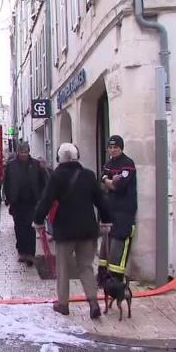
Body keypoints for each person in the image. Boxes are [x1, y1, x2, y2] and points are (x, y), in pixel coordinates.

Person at [33, 143, 113, 319]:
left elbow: (46, 200)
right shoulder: (88, 175)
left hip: (65, 230)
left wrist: (38, 220)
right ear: (77, 156)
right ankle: (93, 302)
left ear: (59, 158)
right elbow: (101, 199)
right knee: (86, 267)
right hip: (87, 229)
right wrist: (106, 220)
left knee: (63, 268)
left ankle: (63, 304)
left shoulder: (57, 176)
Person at [97, 135, 138, 286]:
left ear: (121, 148)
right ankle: (102, 279)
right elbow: (102, 180)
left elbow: (119, 186)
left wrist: (108, 182)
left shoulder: (127, 164)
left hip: (124, 213)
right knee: (104, 246)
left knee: (118, 247)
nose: (113, 150)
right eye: (111, 147)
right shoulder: (108, 163)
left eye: (116, 147)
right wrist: (109, 181)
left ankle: (116, 281)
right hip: (110, 211)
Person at [2, 142, 48, 266]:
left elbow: (42, 182)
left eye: (26, 152)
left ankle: (30, 254)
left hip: (32, 201)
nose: (24, 155)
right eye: (22, 152)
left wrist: (42, 198)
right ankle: (22, 252)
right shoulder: (11, 165)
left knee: (30, 227)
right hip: (17, 202)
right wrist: (7, 198)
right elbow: (6, 183)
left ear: (29, 152)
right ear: (18, 152)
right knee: (19, 227)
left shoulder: (36, 164)